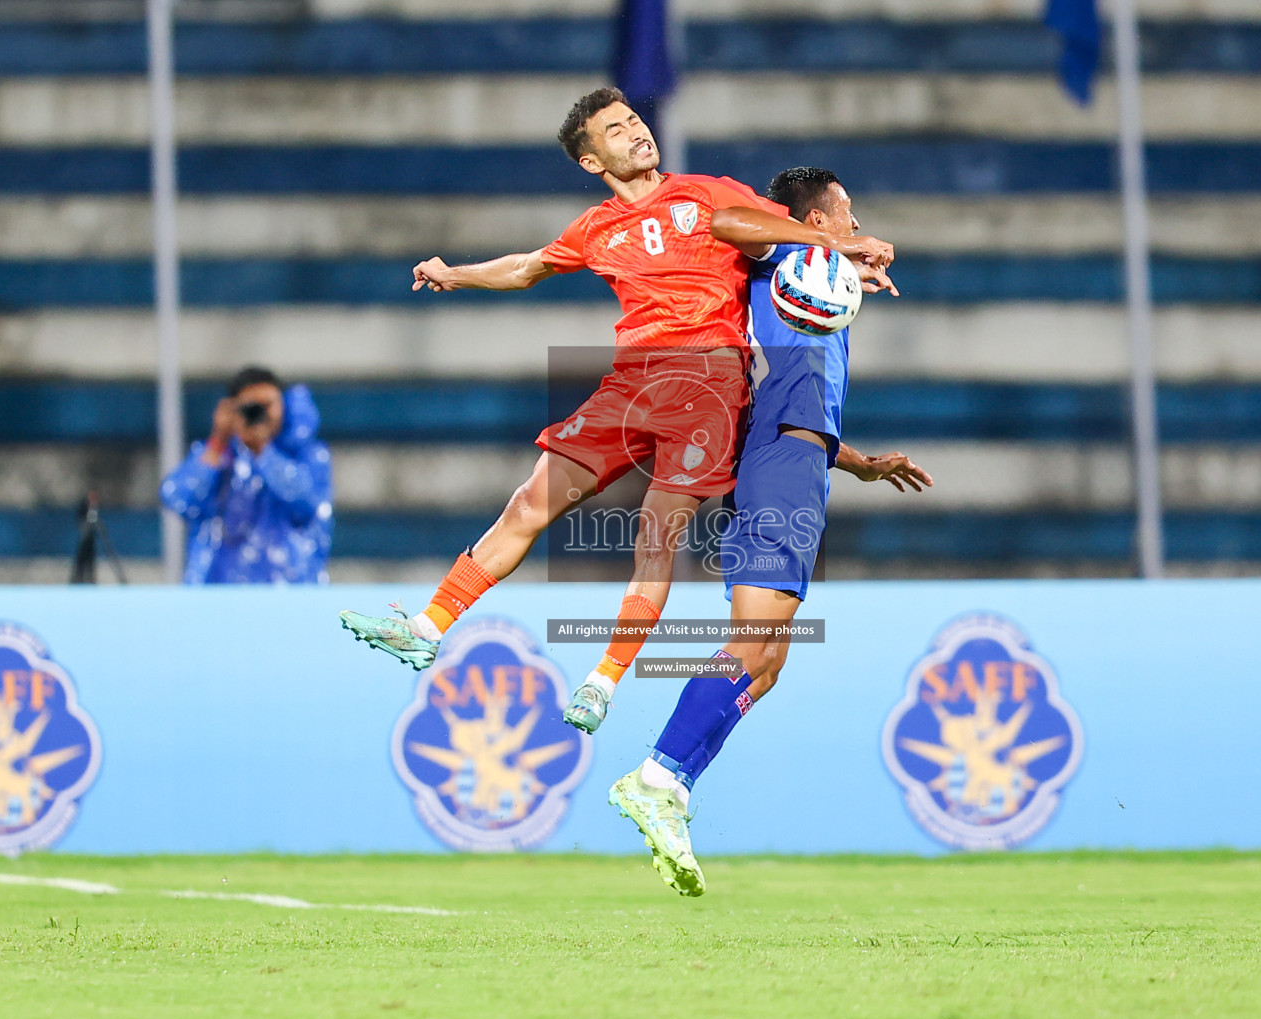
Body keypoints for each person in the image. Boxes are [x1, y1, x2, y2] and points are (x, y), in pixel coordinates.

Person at [339, 89, 895, 715]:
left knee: (656, 539)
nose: (636, 132)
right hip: (630, 384)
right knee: (530, 501)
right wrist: (455, 273)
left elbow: (787, 232)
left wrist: (843, 250)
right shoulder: (596, 228)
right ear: (590, 161)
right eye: (616, 130)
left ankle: (601, 682)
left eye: (634, 120)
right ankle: (427, 628)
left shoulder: (708, 190)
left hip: (710, 383)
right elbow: (526, 267)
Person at [605, 168, 933, 896]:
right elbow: (728, 224)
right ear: (813, 217)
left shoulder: (811, 284)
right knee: (751, 640)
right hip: (780, 464)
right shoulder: (783, 257)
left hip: (798, 461)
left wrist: (857, 464)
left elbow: (794, 399)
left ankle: (675, 784)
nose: (854, 223)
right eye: (845, 211)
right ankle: (656, 774)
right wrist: (830, 245)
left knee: (768, 661)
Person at [160, 366, 333, 584]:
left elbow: (307, 504)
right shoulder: (217, 455)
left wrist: (263, 451)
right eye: (251, 407)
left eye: (267, 405)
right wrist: (217, 441)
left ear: (284, 406)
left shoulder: (307, 455)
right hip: (219, 593)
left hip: (290, 593)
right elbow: (177, 499)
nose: (259, 415)